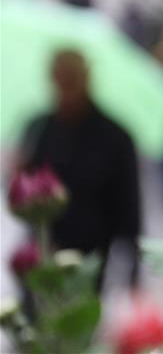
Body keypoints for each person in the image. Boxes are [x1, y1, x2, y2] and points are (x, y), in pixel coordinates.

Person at [19, 50, 142, 289]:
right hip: (43, 250)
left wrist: (134, 268)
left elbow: (130, 206)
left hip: (91, 254)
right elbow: (23, 190)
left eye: (71, 79)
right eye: (60, 79)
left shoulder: (115, 136)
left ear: (86, 78)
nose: (66, 90)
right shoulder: (37, 128)